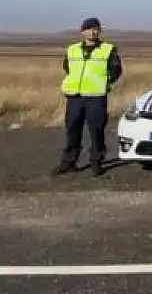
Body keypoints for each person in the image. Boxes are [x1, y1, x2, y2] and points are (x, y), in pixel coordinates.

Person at [53, 17, 123, 177]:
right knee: (72, 129)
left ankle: (96, 162)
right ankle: (69, 162)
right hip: (75, 97)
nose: (93, 31)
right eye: (89, 28)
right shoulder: (72, 49)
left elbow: (116, 70)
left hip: (96, 97)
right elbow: (67, 67)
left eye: (96, 28)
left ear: (99, 31)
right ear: (82, 31)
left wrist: (105, 82)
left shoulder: (108, 49)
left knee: (96, 130)